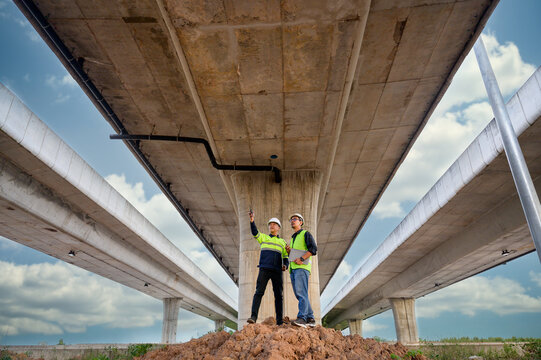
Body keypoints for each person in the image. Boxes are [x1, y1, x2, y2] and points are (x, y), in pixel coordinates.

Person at [247, 209, 289, 325]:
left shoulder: (283, 242)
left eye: (274, 224)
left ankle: (279, 321)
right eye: (270, 224)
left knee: (278, 296)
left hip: (277, 271)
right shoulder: (264, 238)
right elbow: (255, 232)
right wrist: (252, 221)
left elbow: (286, 257)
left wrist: (285, 265)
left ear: (278, 227)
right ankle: (253, 317)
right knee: (259, 292)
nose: (271, 226)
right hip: (264, 269)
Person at [285, 213, 317, 328]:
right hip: (294, 269)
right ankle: (310, 318)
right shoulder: (294, 237)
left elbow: (313, 249)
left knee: (301, 293)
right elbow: (295, 254)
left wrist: (302, 258)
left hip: (302, 268)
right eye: (291, 219)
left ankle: (302, 318)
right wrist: (289, 252)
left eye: (295, 219)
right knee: (300, 293)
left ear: (301, 222)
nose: (292, 221)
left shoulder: (305, 234)